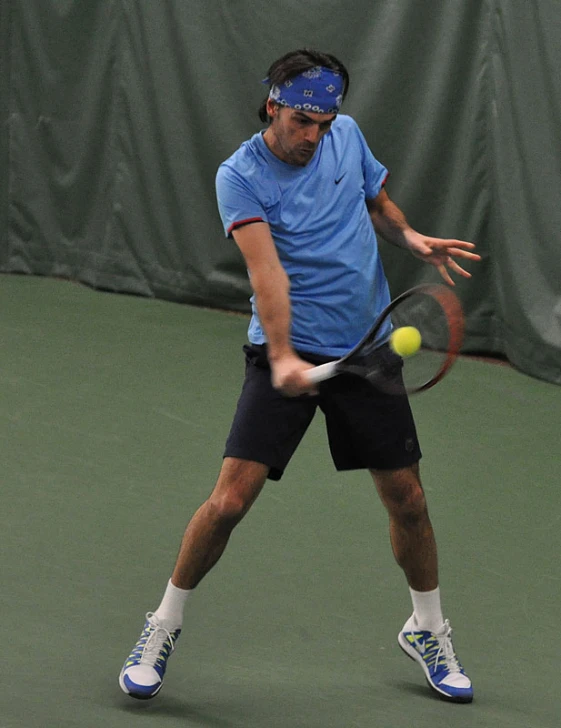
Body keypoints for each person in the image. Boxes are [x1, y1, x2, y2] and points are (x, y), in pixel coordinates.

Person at [119, 48, 480, 704]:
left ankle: (426, 628)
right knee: (229, 501)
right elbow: (265, 273)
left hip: (366, 353)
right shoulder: (241, 175)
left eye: (323, 121)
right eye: (301, 121)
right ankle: (162, 625)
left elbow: (376, 203)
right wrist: (284, 356)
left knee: (409, 500)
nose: (313, 135)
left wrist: (412, 238)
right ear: (272, 107)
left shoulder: (344, 136)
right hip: (283, 353)